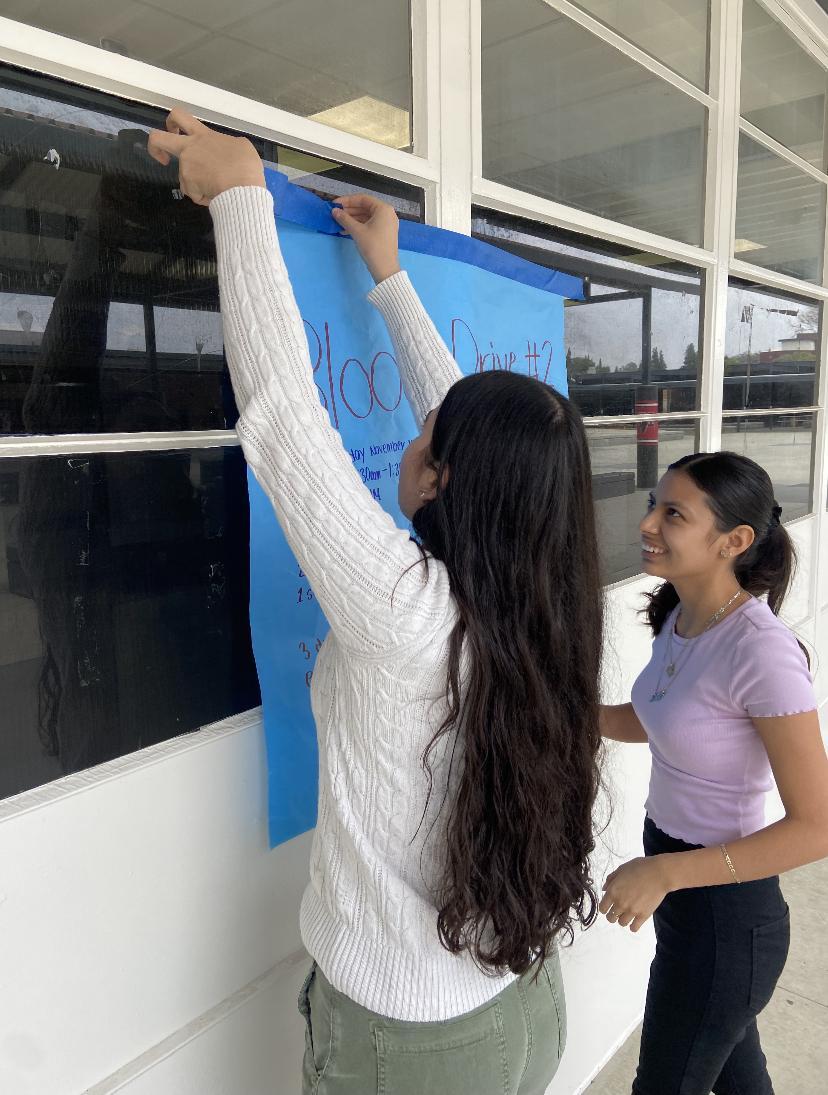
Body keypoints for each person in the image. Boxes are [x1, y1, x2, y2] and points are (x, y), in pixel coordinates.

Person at [148, 109, 605, 1095]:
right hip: (522, 1001)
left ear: (443, 482)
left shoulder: (410, 612)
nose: (415, 427)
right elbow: (474, 432)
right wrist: (388, 278)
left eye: (427, 434)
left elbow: (284, 421)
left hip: (414, 1050)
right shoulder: (547, 605)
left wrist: (240, 198)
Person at [600, 451, 828, 1095]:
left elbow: (818, 827)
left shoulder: (762, 651)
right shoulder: (682, 616)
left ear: (735, 540)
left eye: (673, 514)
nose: (647, 523)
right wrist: (569, 716)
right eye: (654, 504)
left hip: (728, 919)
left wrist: (666, 873)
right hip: (689, 906)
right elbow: (661, 718)